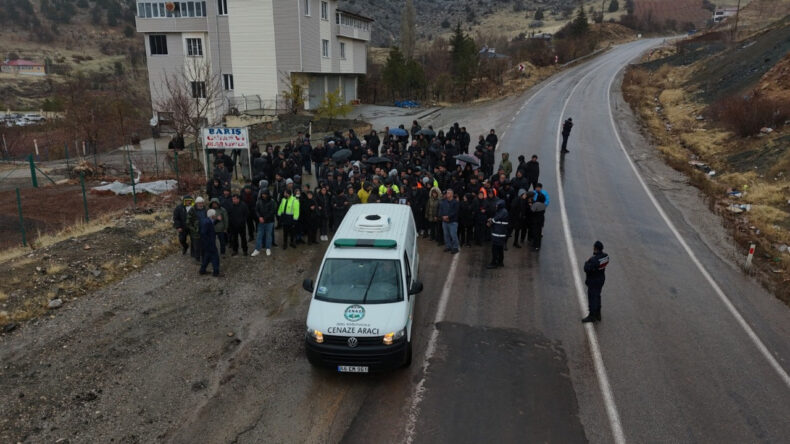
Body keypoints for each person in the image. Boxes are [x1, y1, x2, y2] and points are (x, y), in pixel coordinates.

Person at [582, 241, 609, 323]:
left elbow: (586, 269)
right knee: (597, 295)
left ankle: (592, 316)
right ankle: (598, 313)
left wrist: (587, 262)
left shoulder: (594, 260)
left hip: (593, 280)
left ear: (595, 248)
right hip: (601, 279)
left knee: (592, 297)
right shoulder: (606, 257)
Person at [252, 189, 276, 257]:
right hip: (261, 221)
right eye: (262, 194)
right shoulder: (259, 201)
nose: (263, 195)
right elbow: (256, 210)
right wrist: (259, 217)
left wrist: (264, 218)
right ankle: (257, 249)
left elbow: (272, 212)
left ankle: (268, 248)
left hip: (269, 222)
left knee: (268, 235)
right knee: (259, 235)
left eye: (265, 194)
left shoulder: (271, 202)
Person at [487, 199, 508, 269]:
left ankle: (494, 263)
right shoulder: (501, 211)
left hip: (499, 234)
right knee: (499, 248)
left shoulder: (503, 212)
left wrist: (491, 221)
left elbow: (497, 219)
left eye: (497, 205)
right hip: (498, 233)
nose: (496, 206)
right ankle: (500, 262)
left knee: (495, 249)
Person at [199, 209, 221, 277]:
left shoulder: (207, 221)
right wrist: (209, 242)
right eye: (214, 214)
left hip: (207, 244)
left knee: (207, 257)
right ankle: (216, 272)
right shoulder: (207, 223)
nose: (215, 215)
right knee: (215, 257)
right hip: (210, 243)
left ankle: (202, 270)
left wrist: (217, 220)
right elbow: (203, 233)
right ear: (212, 215)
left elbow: (212, 223)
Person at [438, 188, 460, 254]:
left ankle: (455, 247)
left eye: (449, 193)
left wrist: (448, 216)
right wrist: (442, 216)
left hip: (453, 221)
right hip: (444, 221)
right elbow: (440, 210)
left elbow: (455, 212)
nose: (447, 194)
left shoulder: (455, 202)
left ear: (452, 194)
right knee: (446, 234)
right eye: (447, 193)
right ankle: (448, 246)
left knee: (453, 235)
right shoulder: (443, 202)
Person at [186, 196, 207, 262]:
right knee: (196, 246)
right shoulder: (192, 210)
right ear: (196, 203)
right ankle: (197, 259)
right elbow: (188, 222)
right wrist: (194, 229)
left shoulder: (205, 209)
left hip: (204, 230)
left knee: (204, 244)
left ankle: (204, 257)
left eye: (202, 203)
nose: (201, 204)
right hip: (195, 232)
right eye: (199, 203)